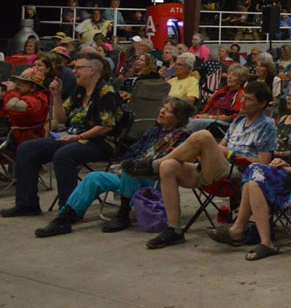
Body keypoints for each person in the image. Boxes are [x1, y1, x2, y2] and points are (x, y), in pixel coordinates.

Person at [131, 80, 277, 249]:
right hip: (215, 169)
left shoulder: (267, 125)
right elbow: (220, 147)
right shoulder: (238, 121)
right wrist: (217, 153)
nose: (242, 101)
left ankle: (153, 165)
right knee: (168, 166)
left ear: (262, 104)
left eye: (248, 99)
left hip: (240, 172)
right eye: (242, 97)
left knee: (204, 135)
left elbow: (263, 164)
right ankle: (174, 229)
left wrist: (231, 155)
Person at [207, 95, 291, 261]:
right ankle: (264, 242)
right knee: (253, 182)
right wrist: (283, 162)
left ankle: (239, 229)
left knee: (254, 169)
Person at [34, 97, 193, 237]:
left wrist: (130, 168)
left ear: (178, 118)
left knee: (131, 170)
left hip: (156, 183)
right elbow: (131, 152)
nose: (162, 111)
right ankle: (65, 219)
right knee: (94, 177)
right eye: (163, 108)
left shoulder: (182, 138)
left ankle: (123, 215)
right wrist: (123, 168)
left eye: (168, 111)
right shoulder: (151, 132)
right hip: (130, 177)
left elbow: (171, 165)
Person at [2, 54, 121, 218]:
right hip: (74, 137)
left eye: (78, 68)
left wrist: (77, 137)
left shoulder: (107, 92)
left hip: (100, 142)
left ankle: (68, 210)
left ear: (92, 70)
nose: (73, 71)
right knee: (27, 149)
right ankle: (27, 204)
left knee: (64, 155)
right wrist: (56, 96)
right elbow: (62, 118)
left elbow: (106, 126)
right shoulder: (80, 91)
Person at [187, 63, 248, 133]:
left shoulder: (241, 95)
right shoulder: (221, 92)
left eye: (234, 75)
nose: (229, 77)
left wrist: (209, 117)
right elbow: (209, 109)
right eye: (229, 74)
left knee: (195, 123)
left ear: (241, 80)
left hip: (224, 123)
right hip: (210, 119)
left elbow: (233, 117)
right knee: (186, 120)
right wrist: (202, 115)